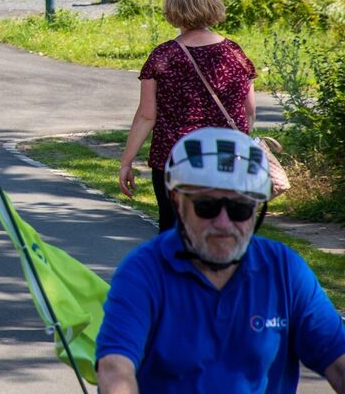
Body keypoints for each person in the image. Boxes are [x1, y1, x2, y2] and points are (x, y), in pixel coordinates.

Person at [96, 127, 345, 393]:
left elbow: (338, 361)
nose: (223, 223)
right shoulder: (143, 271)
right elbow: (115, 369)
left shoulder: (284, 270)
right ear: (177, 202)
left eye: (239, 209)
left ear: (256, 209)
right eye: (207, 207)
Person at [118, 0, 256, 232]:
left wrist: (126, 161)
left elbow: (147, 116)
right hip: (225, 160)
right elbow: (248, 112)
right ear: (211, 5)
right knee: (222, 233)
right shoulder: (234, 54)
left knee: (173, 234)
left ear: (172, 11)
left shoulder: (164, 56)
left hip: (176, 161)